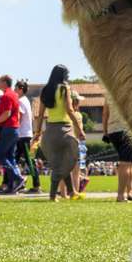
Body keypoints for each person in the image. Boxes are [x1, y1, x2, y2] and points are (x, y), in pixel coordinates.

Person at [32, 65, 85, 201]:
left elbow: (41, 114)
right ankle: (52, 196)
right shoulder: (64, 88)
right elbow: (69, 109)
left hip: (49, 131)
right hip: (65, 130)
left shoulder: (46, 90)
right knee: (66, 162)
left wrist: (37, 132)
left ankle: (72, 192)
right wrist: (79, 128)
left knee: (60, 162)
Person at [0, 74, 24, 194]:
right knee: (10, 157)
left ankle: (17, 178)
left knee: (0, 156)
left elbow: (6, 113)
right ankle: (11, 186)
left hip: (8, 129)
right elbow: (17, 114)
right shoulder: (15, 95)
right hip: (15, 129)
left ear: (5, 82)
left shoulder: (6, 96)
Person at [103, 93, 132, 202]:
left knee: (130, 162)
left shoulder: (109, 93)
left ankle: (131, 191)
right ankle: (120, 195)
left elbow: (105, 114)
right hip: (125, 130)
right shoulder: (129, 93)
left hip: (112, 131)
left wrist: (105, 132)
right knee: (126, 164)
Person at [15, 80, 41, 193]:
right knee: (15, 160)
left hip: (22, 135)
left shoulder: (20, 101)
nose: (14, 90)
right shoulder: (26, 101)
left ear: (20, 89)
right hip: (25, 135)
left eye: (16, 88)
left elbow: (19, 118)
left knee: (29, 161)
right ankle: (16, 181)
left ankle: (36, 185)